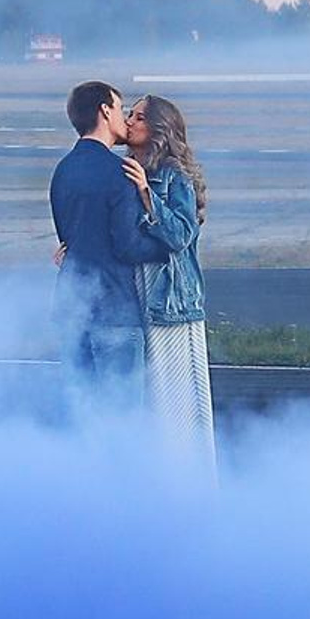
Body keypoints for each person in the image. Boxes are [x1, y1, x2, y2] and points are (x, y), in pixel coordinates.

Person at [47, 79, 158, 392]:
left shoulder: (63, 170)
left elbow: (69, 238)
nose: (125, 119)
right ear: (105, 111)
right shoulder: (120, 172)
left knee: (83, 413)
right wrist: (169, 245)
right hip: (113, 309)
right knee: (120, 417)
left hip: (71, 307)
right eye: (121, 109)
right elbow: (128, 247)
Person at [126, 93, 216, 468]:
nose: (129, 121)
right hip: (143, 293)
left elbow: (181, 234)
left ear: (159, 129)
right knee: (149, 394)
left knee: (175, 397)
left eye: (139, 117)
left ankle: (186, 476)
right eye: (128, 114)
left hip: (170, 300)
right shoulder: (129, 167)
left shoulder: (172, 176)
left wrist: (148, 195)